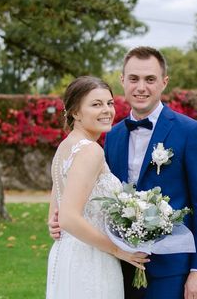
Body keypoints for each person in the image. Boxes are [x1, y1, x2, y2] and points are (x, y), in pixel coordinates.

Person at [49, 47, 197, 299]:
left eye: (150, 79)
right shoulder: (111, 135)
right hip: (117, 264)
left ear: (164, 82)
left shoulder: (190, 132)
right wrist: (61, 219)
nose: (141, 87)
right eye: (134, 78)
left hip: (172, 270)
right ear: (123, 81)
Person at [46, 76, 149, 299]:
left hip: (66, 253)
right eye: (96, 104)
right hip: (91, 259)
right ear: (75, 112)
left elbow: (56, 212)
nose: (107, 111)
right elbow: (68, 218)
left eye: (109, 103)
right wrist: (119, 250)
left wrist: (53, 223)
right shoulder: (90, 151)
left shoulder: (65, 147)